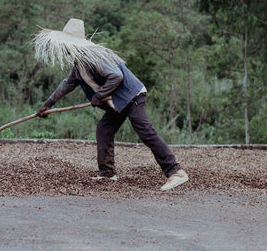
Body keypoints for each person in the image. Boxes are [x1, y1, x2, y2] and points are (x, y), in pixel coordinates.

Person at [33, 18, 188, 191]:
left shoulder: (96, 56)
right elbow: (66, 85)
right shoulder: (79, 64)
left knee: (146, 132)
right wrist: (48, 104)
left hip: (132, 96)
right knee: (104, 129)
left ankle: (176, 172)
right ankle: (107, 173)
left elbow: (116, 76)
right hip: (117, 102)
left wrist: (99, 95)